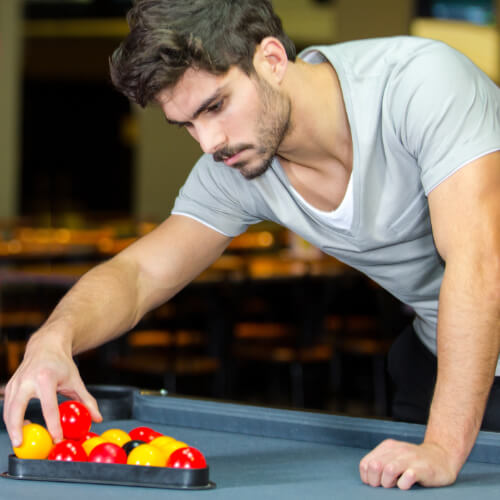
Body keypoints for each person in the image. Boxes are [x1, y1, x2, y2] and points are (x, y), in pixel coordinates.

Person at [3, 0, 499, 490]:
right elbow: (138, 276)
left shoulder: (421, 85)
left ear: (272, 59)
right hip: (444, 368)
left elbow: (479, 264)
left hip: (463, 380)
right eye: (188, 125)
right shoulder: (237, 167)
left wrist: (441, 446)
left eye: (215, 106)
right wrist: (54, 338)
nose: (209, 142)